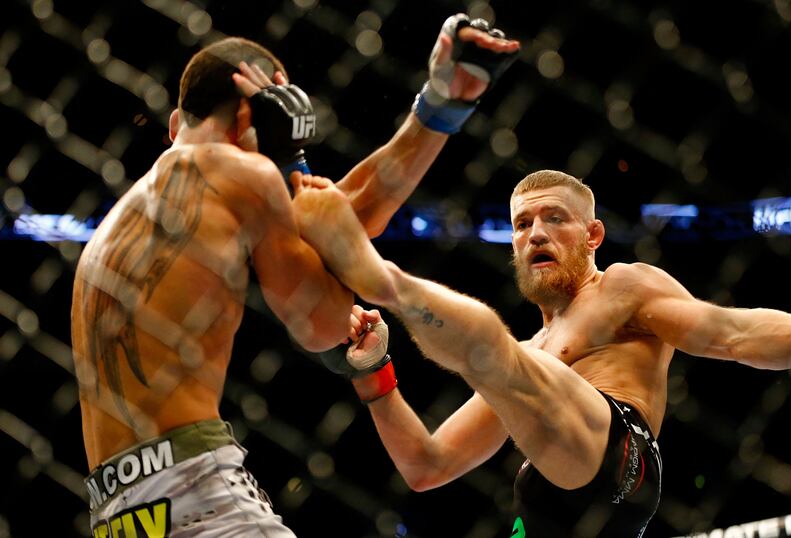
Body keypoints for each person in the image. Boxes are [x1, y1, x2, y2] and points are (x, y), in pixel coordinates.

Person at [70, 18, 519, 537]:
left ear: (176, 123)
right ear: (250, 114)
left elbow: (334, 220)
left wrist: (436, 110)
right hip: (199, 493)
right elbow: (323, 323)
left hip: (119, 514)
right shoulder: (250, 176)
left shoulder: (117, 226)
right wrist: (284, 160)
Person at [292, 169, 791, 537]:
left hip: (619, 453)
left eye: (555, 218)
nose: (536, 232)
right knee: (500, 356)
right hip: (542, 509)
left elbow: (737, 333)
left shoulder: (622, 288)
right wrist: (373, 373)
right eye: (522, 224)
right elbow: (428, 464)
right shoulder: (527, 358)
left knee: (493, 350)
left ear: (593, 235)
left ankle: (379, 275)